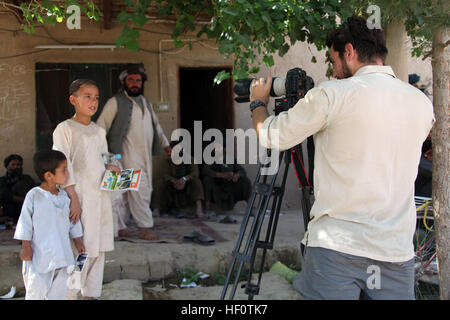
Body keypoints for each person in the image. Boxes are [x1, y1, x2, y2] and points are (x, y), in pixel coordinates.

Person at [249, 16, 434, 300]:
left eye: (334, 61)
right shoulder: (421, 103)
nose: (334, 72)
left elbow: (272, 135)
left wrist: (258, 103)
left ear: (349, 51)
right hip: (395, 252)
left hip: (337, 249)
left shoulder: (331, 95)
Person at [53, 79, 119, 300]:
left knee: (97, 247)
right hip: (78, 197)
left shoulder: (99, 132)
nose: (93, 101)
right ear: (73, 100)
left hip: (99, 197)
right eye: (87, 96)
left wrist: (111, 167)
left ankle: (90, 294)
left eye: (96, 97)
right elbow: (62, 165)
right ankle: (69, 294)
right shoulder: (65, 129)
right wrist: (73, 197)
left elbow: (103, 160)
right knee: (79, 249)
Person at [96, 64, 171, 240]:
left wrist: (166, 146)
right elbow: (100, 129)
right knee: (136, 191)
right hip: (122, 157)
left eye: (138, 80)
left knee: (127, 194)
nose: (135, 83)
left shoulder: (146, 103)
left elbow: (157, 128)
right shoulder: (114, 102)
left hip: (144, 156)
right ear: (124, 82)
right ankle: (144, 228)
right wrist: (106, 158)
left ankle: (120, 228)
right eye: (131, 80)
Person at [14, 149, 85, 300]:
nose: (67, 174)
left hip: (62, 255)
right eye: (63, 170)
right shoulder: (34, 195)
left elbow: (72, 221)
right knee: (35, 292)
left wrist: (78, 241)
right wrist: (26, 247)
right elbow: (25, 223)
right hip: (39, 257)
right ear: (48, 175)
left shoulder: (64, 197)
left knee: (58, 293)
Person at [152, 139, 205, 219]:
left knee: (197, 182)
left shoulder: (190, 159)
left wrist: (184, 179)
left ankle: (199, 209)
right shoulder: (169, 160)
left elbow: (195, 173)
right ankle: (156, 209)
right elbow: (165, 175)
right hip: (172, 184)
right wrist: (173, 180)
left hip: (187, 184)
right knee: (159, 182)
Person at [202, 144, 251, 215]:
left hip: (230, 186)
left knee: (246, 181)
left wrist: (237, 175)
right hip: (217, 186)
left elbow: (242, 171)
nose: (217, 149)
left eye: (219, 147)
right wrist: (221, 175)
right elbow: (205, 170)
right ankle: (208, 207)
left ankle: (250, 206)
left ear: (224, 149)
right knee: (207, 179)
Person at [0, 154, 36, 223]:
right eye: (13, 165)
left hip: (27, 214)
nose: (16, 167)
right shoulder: (2, 181)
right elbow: (5, 196)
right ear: (7, 166)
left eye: (18, 164)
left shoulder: (27, 179)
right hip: (9, 216)